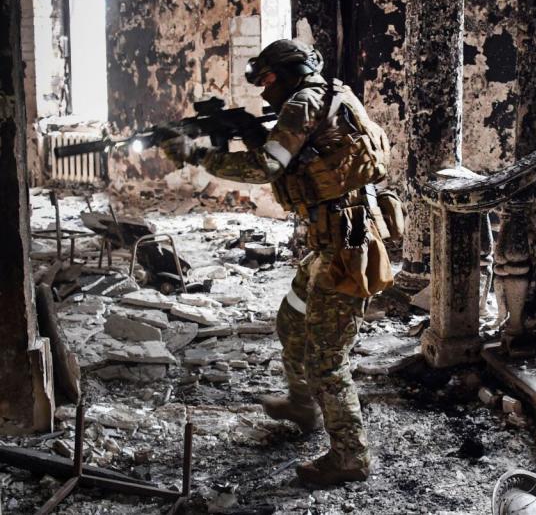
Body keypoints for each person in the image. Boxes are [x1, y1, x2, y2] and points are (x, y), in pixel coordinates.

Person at [160, 39, 392, 487]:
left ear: (292, 71)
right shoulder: (328, 94)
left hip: (347, 246)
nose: (265, 91)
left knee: (328, 358)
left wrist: (195, 155)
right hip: (334, 241)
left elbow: (266, 167)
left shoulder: (302, 103)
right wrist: (247, 129)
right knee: (291, 320)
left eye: (268, 79)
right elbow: (303, 159)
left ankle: (351, 455)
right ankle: (303, 406)